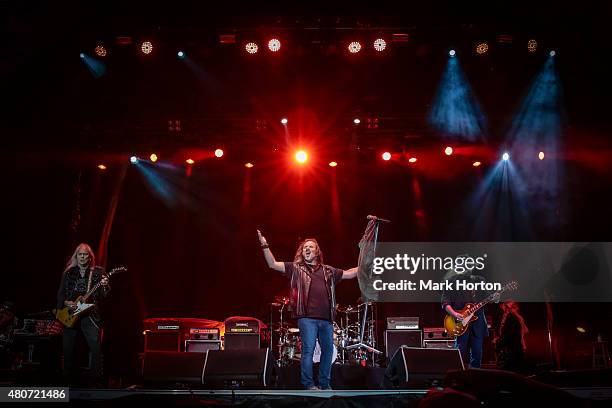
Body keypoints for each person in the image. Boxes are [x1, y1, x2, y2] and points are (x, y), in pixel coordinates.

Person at [257, 230, 358, 390]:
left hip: (326, 319)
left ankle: (324, 384)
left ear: (317, 251)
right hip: (307, 318)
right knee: (308, 351)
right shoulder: (296, 268)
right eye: (305, 248)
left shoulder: (328, 270)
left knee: (328, 351)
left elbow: (349, 273)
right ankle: (309, 385)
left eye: (310, 247)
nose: (307, 249)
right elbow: (272, 264)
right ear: (302, 252)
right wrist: (264, 244)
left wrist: (365, 264)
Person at [56, 243, 110, 386]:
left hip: (90, 313)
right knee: (68, 347)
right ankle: (67, 380)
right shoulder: (69, 272)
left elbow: (105, 295)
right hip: (71, 312)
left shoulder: (98, 272)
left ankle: (96, 379)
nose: (82, 257)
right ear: (76, 256)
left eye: (85, 254)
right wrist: (65, 303)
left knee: (95, 346)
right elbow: (61, 294)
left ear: (90, 257)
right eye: (80, 254)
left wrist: (104, 284)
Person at [441, 264, 498, 369]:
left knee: (477, 351)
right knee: (460, 350)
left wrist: (495, 298)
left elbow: (487, 296)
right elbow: (445, 303)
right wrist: (454, 313)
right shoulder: (451, 282)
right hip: (459, 321)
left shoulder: (479, 280)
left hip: (478, 321)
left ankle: (474, 377)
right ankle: (457, 376)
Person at [494, 300, 528, 372]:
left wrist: (499, 343)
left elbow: (509, 336)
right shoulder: (511, 317)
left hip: (512, 352)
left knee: (512, 371)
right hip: (513, 350)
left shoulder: (513, 318)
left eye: (506, 306)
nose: (504, 308)